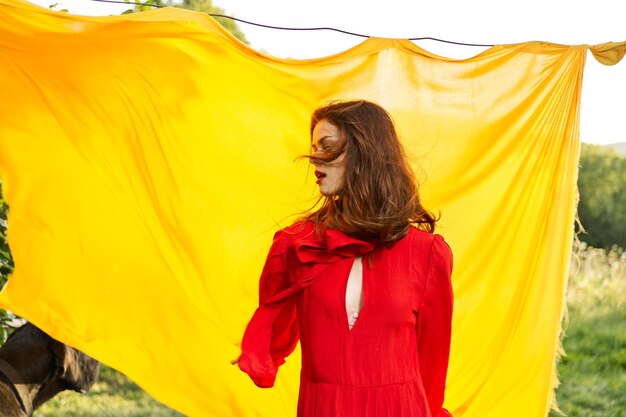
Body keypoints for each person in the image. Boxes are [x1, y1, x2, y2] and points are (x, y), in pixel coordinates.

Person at [237, 100, 454, 417]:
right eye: (313, 148)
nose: (314, 159)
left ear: (365, 151)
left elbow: (433, 364)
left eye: (327, 147)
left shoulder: (427, 253)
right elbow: (274, 339)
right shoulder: (297, 245)